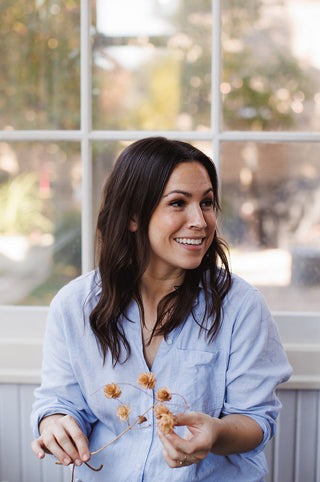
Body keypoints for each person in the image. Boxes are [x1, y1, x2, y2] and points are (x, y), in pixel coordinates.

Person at [31, 137, 292, 481]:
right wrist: (54, 423)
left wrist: (215, 433)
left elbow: (257, 420)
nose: (200, 220)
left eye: (208, 202)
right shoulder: (73, 305)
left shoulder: (242, 307)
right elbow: (59, 401)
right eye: (178, 203)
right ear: (134, 216)